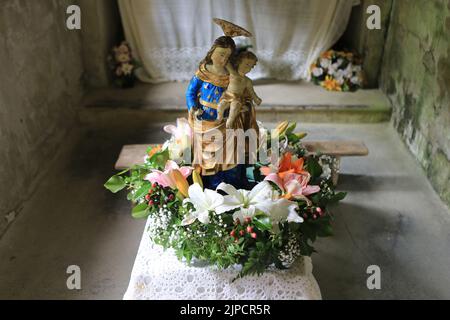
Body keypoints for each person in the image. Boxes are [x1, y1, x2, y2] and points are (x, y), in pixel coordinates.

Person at [185, 36, 255, 190]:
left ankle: (231, 184)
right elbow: (190, 93)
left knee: (231, 154)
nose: (223, 59)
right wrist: (194, 108)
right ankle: (212, 183)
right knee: (209, 156)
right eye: (221, 54)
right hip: (206, 120)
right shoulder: (202, 73)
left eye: (228, 56)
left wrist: (243, 106)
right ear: (212, 52)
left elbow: (244, 95)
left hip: (228, 121)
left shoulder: (233, 76)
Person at [217, 51, 262, 129]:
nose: (247, 68)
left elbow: (252, 92)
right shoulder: (233, 73)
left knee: (235, 107)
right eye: (246, 64)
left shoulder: (247, 81)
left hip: (237, 98)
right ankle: (219, 118)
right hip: (227, 96)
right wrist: (223, 55)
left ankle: (230, 121)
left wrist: (256, 99)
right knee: (221, 105)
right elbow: (226, 62)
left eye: (250, 67)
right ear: (239, 62)